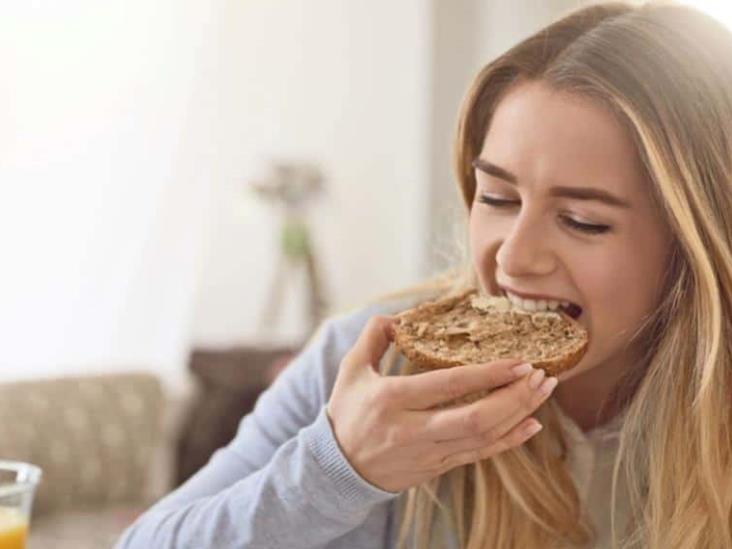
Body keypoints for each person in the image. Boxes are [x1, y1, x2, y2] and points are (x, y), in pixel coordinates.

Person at [116, 1, 732, 547]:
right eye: (497, 197)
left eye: (581, 220)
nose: (512, 258)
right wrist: (339, 469)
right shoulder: (371, 364)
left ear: (697, 240)